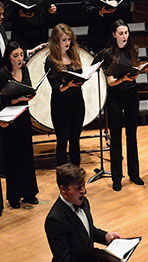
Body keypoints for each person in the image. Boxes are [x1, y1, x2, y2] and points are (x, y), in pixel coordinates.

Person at [45, 163, 123, 262]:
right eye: (77, 188)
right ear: (63, 189)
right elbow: (63, 259)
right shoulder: (55, 220)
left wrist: (106, 236)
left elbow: (85, 229)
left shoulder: (83, 202)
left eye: (83, 185)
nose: (83, 191)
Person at [101, 19, 143, 191]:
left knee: (132, 136)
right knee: (116, 138)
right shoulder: (108, 54)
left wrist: (139, 70)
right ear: (114, 35)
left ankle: (135, 174)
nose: (124, 36)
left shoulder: (133, 49)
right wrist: (124, 78)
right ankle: (117, 177)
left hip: (132, 95)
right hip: (115, 98)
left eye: (126, 33)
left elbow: (134, 69)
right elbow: (110, 82)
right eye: (121, 33)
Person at [0, 41, 39, 209]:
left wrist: (29, 95)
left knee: (26, 155)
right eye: (15, 56)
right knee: (13, 158)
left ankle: (29, 193)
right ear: (8, 58)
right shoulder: (2, 74)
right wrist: (19, 99)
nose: (19, 59)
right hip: (9, 119)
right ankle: (14, 196)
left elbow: (27, 88)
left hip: (23, 117)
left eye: (21, 55)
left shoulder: (25, 69)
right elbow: (2, 100)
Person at [45, 23, 85, 166]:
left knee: (75, 139)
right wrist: (67, 85)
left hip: (77, 101)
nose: (67, 43)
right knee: (62, 140)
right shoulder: (50, 61)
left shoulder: (74, 56)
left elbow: (81, 76)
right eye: (64, 40)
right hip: (60, 104)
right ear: (56, 41)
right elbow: (56, 88)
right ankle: (62, 173)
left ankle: (76, 172)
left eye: (69, 39)